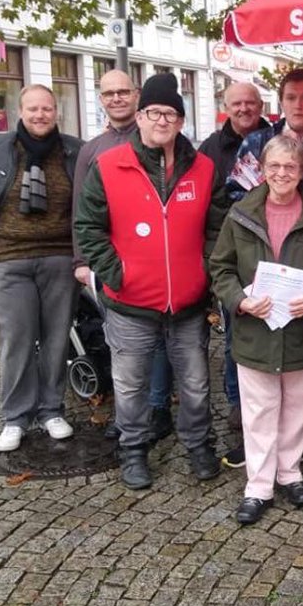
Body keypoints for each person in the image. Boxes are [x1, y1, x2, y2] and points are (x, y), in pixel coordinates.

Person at [75, 73, 227, 490]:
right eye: (154, 112)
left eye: (171, 114)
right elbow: (88, 226)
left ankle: (198, 445)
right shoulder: (109, 165)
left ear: (181, 121)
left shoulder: (203, 168)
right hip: (130, 302)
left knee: (195, 383)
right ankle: (134, 450)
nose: (162, 120)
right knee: (130, 385)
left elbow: (217, 229)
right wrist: (115, 272)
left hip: (188, 302)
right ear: (139, 116)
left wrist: (206, 272)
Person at [210, 135, 303, 525]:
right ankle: (258, 485)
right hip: (255, 328)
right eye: (274, 167)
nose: (282, 173)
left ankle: (290, 473)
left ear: (302, 170)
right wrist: (239, 300)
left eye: (290, 166)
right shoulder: (241, 214)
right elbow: (220, 268)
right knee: (258, 409)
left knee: (297, 406)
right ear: (262, 170)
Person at [0, 85, 83, 452]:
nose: (40, 115)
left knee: (56, 338)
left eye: (46, 109)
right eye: (33, 109)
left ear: (56, 112)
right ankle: (15, 417)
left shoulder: (73, 150)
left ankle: (51, 410)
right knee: (16, 339)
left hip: (60, 258)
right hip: (8, 258)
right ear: (20, 110)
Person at [73, 70, 175, 443]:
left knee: (162, 342)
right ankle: (131, 417)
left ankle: (160, 406)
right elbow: (81, 214)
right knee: (124, 344)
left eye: (123, 92)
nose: (116, 98)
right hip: (115, 270)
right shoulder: (93, 150)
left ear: (137, 96)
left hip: (160, 271)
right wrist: (84, 262)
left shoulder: (163, 138)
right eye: (108, 93)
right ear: (101, 99)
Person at [199, 81, 273, 466]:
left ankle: (278, 405)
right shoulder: (210, 150)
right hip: (229, 253)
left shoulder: (275, 140)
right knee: (234, 334)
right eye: (236, 103)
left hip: (273, 254)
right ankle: (237, 402)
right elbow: (203, 206)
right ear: (225, 106)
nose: (244, 108)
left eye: (251, 102)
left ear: (261, 105)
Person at [228, 67, 303, 208]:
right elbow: (235, 192)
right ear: (281, 103)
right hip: (262, 228)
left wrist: (300, 158)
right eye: (291, 98)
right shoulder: (256, 143)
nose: (298, 105)